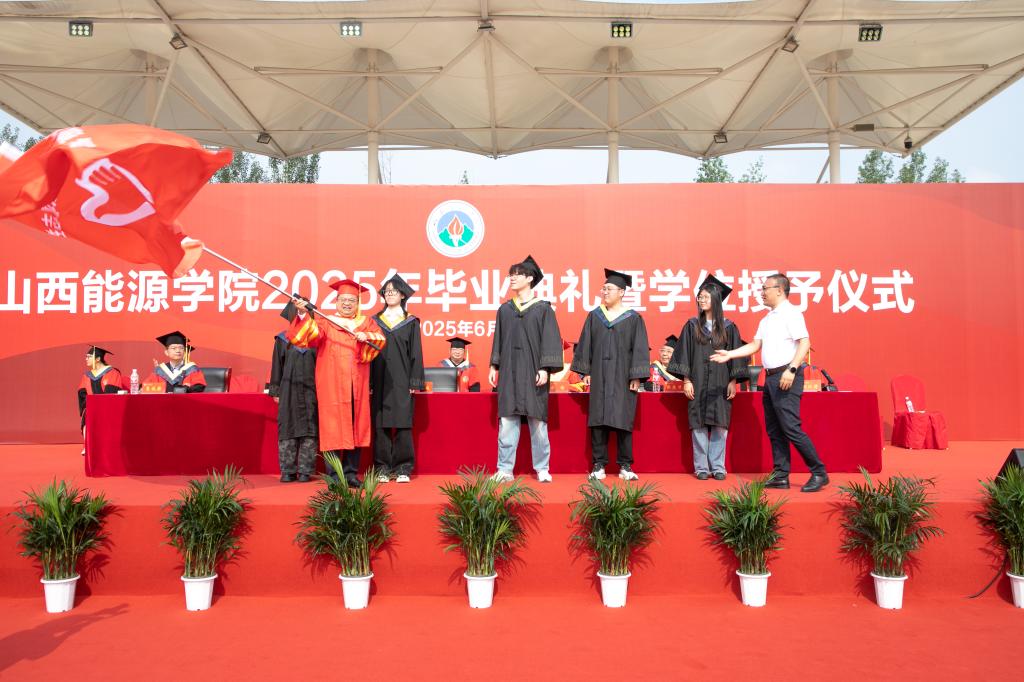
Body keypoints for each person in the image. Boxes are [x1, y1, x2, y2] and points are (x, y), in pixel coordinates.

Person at [711, 273, 829, 492]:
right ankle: (781, 475)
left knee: (791, 427)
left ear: (779, 290)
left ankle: (819, 472)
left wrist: (792, 369)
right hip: (771, 377)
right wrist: (730, 354)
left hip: (787, 376)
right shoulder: (766, 319)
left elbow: (804, 343)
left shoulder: (791, 313)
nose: (762, 293)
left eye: (765, 288)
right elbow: (755, 346)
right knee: (774, 429)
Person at [290, 279, 386, 488]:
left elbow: (379, 340)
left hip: (356, 385)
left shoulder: (365, 323)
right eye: (343, 300)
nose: (347, 304)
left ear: (358, 303)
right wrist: (302, 314)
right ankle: (334, 476)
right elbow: (308, 338)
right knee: (332, 428)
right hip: (332, 385)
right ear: (336, 301)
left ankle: (350, 474)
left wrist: (365, 336)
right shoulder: (326, 321)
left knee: (356, 428)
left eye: (352, 300)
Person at [488, 255, 563, 483]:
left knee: (538, 422)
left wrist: (545, 368)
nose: (512, 278)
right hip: (509, 372)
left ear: (530, 278)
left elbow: (550, 340)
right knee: (507, 422)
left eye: (517, 275)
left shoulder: (543, 309)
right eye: (511, 275)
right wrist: (494, 365)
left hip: (533, 372)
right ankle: (504, 469)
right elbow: (499, 339)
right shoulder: (505, 310)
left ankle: (542, 468)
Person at [571, 268, 650, 481]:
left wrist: (636, 376)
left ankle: (625, 465)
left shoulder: (633, 318)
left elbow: (640, 348)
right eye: (603, 288)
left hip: (623, 377)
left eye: (609, 289)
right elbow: (586, 344)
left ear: (621, 292)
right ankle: (599, 464)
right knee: (598, 418)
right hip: (599, 374)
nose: (604, 292)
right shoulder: (595, 316)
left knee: (623, 418)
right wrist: (586, 371)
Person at [668, 275, 747, 481]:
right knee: (698, 424)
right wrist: (686, 380)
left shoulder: (729, 327)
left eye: (705, 297)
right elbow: (684, 353)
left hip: (721, 382)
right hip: (697, 380)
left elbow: (736, 356)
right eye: (699, 297)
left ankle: (718, 467)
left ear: (716, 300)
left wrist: (733, 381)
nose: (701, 300)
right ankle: (702, 467)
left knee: (720, 424)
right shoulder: (692, 325)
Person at [370, 274, 425, 483]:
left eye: (394, 291)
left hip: (402, 379)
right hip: (379, 378)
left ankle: (403, 468)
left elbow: (416, 353)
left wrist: (414, 381)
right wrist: (369, 382)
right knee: (381, 424)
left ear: (403, 295)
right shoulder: (374, 321)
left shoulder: (410, 322)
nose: (390, 294)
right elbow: (369, 353)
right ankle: (382, 468)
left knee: (403, 424)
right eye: (387, 291)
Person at [269, 298, 319, 483]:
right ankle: (288, 470)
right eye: (298, 311)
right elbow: (277, 367)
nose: (301, 314)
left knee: (310, 428)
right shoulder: (283, 339)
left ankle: (305, 470)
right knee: (287, 428)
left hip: (312, 389)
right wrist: (276, 391)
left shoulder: (317, 339)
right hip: (288, 389)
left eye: (305, 311)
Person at [77, 345, 123, 454]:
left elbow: (112, 392)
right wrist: (91, 403)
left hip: (108, 407)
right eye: (86, 356)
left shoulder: (112, 372)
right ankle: (88, 445)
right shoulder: (87, 375)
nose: (86, 359)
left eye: (89, 356)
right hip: (92, 407)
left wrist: (100, 404)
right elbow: (82, 393)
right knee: (87, 413)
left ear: (97, 359)